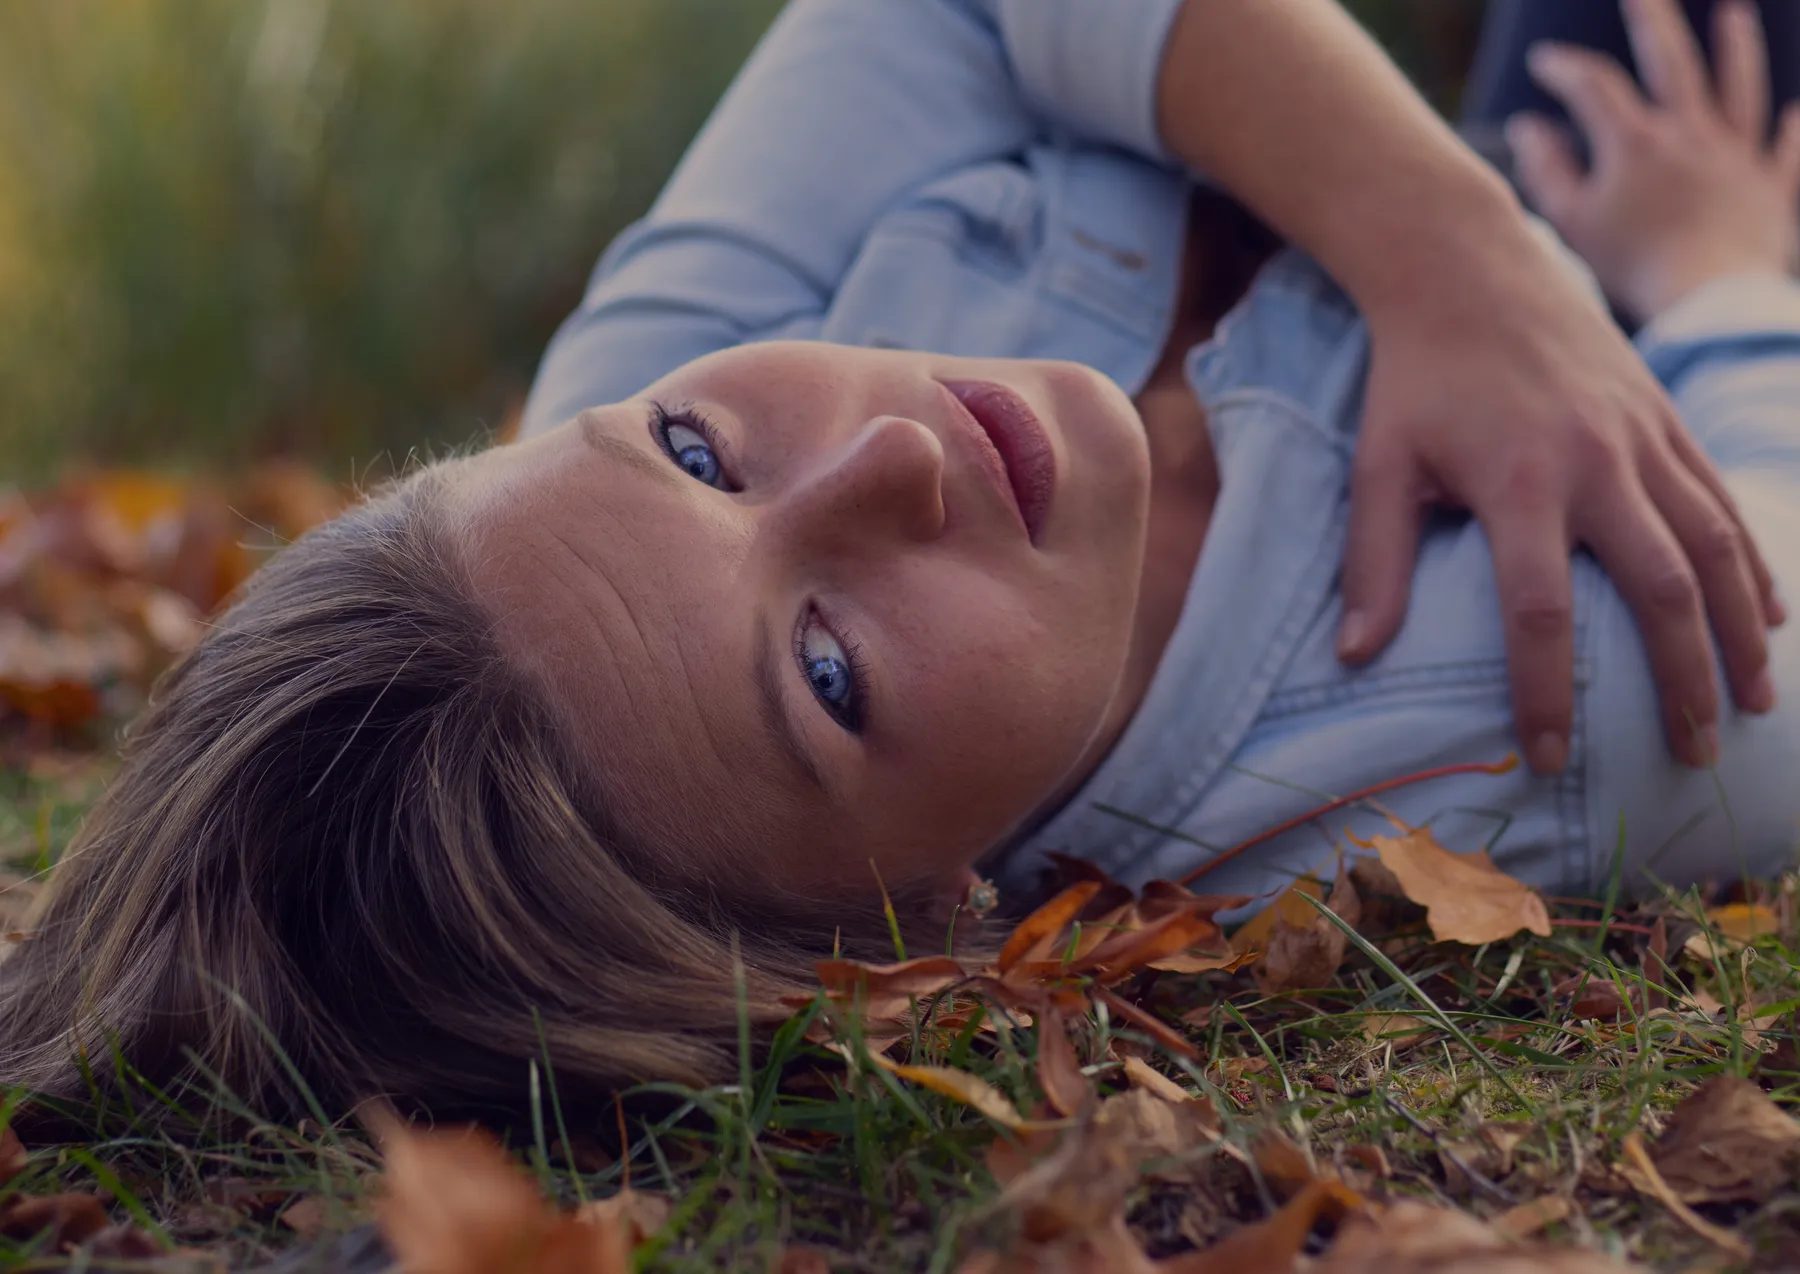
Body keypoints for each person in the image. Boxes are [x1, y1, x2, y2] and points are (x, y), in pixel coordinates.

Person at [2, 0, 1796, 1125]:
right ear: (912, 947)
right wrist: (1720, 276)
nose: (893, 458)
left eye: (698, 453)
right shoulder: (1499, 726)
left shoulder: (610, 424)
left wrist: (1453, 251)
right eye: (828, 672)